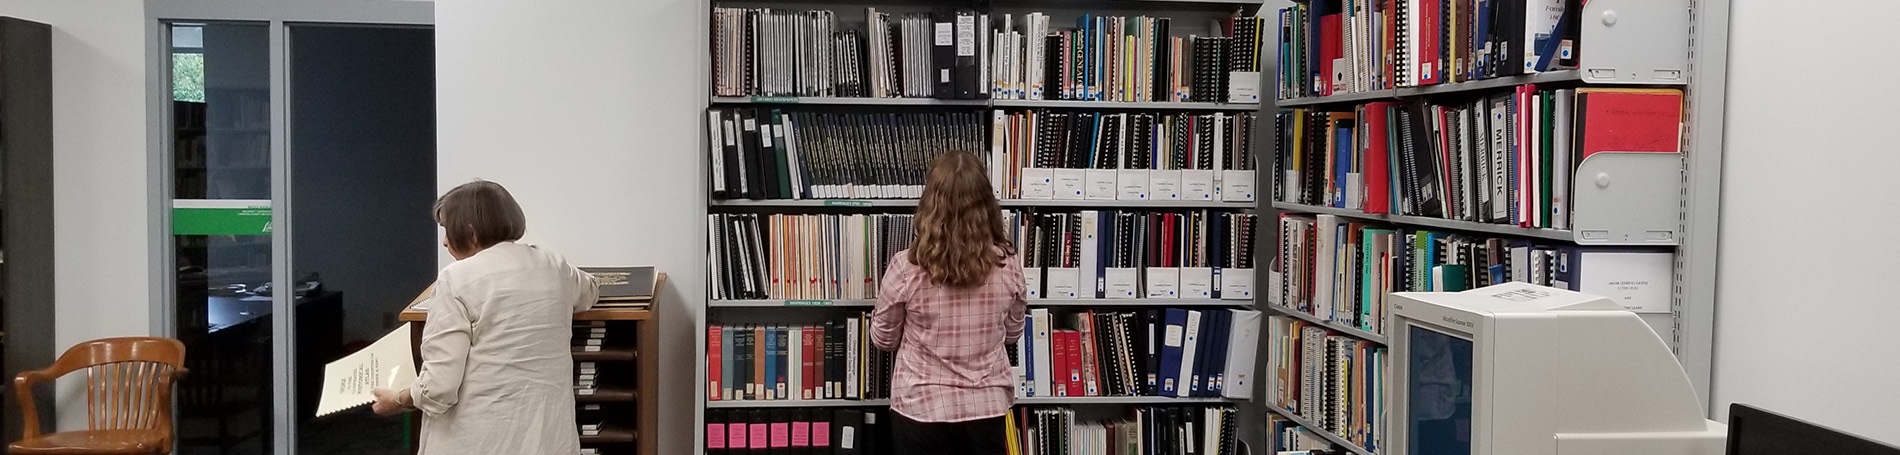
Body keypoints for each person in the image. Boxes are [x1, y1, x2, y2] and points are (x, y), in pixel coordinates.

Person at [370, 180, 600, 455]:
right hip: (547, 440)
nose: (444, 241)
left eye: (447, 230)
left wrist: (397, 400)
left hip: (478, 442)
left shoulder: (456, 280)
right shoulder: (553, 264)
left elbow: (439, 388)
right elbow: (590, 290)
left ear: (471, 232)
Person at [871, 151, 1026, 455]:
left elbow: (884, 339)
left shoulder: (906, 267)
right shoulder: (1008, 265)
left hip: (921, 411)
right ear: (987, 204)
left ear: (930, 203)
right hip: (985, 410)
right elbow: (1012, 334)